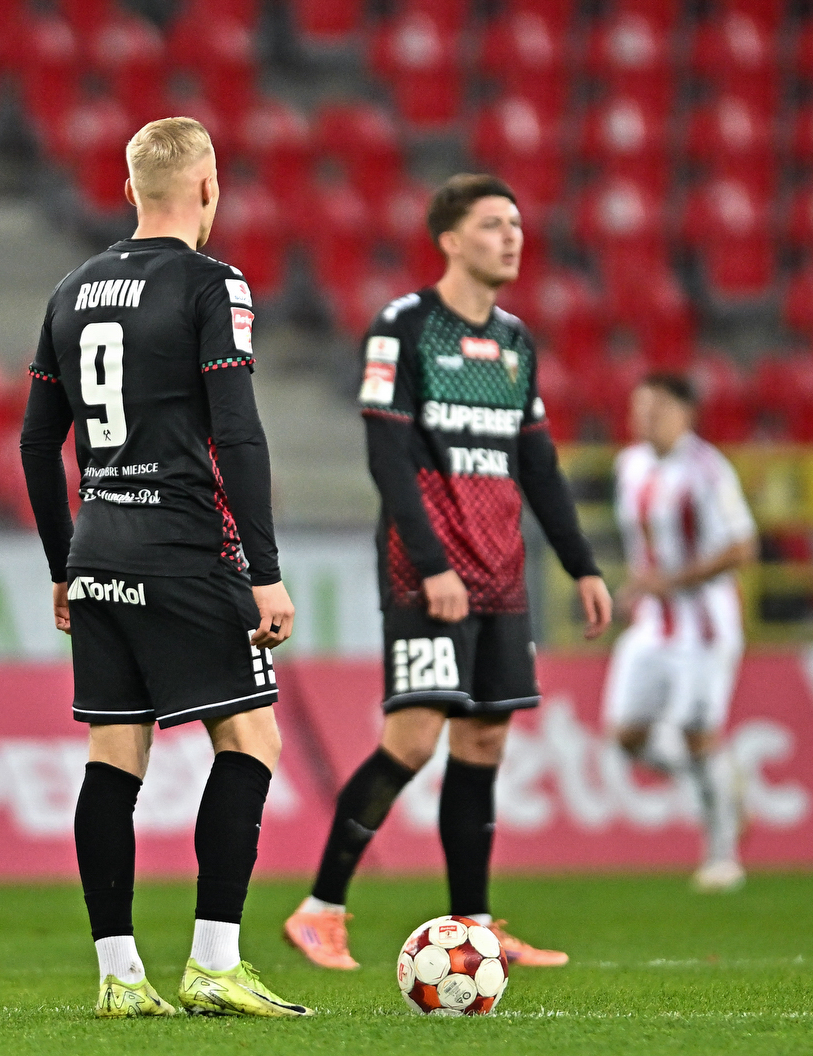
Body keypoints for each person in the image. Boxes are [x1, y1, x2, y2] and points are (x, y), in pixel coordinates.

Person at [282, 174, 612, 970]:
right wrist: (432, 564)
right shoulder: (404, 327)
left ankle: (476, 923)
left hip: (500, 570)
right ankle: (321, 909)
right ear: (451, 240)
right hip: (426, 568)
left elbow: (538, 464)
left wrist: (581, 564)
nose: (512, 237)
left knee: (485, 738)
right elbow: (387, 456)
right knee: (414, 737)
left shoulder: (515, 342)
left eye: (517, 224)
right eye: (494, 224)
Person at [19, 117, 309, 1017]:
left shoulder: (70, 290)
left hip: (99, 549)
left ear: (129, 191)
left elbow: (35, 443)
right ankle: (214, 962)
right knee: (250, 740)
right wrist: (264, 569)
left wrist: (64, 563)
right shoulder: (214, 283)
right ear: (209, 188)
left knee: (115, 754)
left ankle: (119, 975)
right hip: (184, 546)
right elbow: (238, 431)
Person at [605, 372, 758, 893]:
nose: (646, 418)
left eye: (659, 408)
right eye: (640, 408)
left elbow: (742, 547)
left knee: (697, 734)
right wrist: (638, 588)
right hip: (652, 626)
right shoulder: (629, 465)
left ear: (685, 413)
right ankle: (723, 787)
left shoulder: (708, 470)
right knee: (627, 738)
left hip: (705, 627)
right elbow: (645, 548)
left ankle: (722, 857)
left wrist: (670, 581)